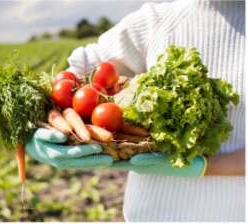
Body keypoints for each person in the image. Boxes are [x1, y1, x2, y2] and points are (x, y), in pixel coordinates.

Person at [27, 0, 245, 221]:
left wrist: (202, 167)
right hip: (150, 215)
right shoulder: (155, 21)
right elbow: (69, 79)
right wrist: (36, 124)